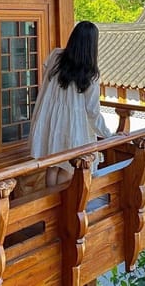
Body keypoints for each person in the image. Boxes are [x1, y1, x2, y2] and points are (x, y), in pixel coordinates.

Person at [29, 21, 114, 187]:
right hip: (73, 125)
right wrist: (109, 134)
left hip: (49, 117)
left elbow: (47, 78)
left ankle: (51, 204)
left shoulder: (56, 57)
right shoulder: (90, 74)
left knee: (52, 165)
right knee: (68, 168)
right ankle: (60, 206)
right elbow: (92, 112)